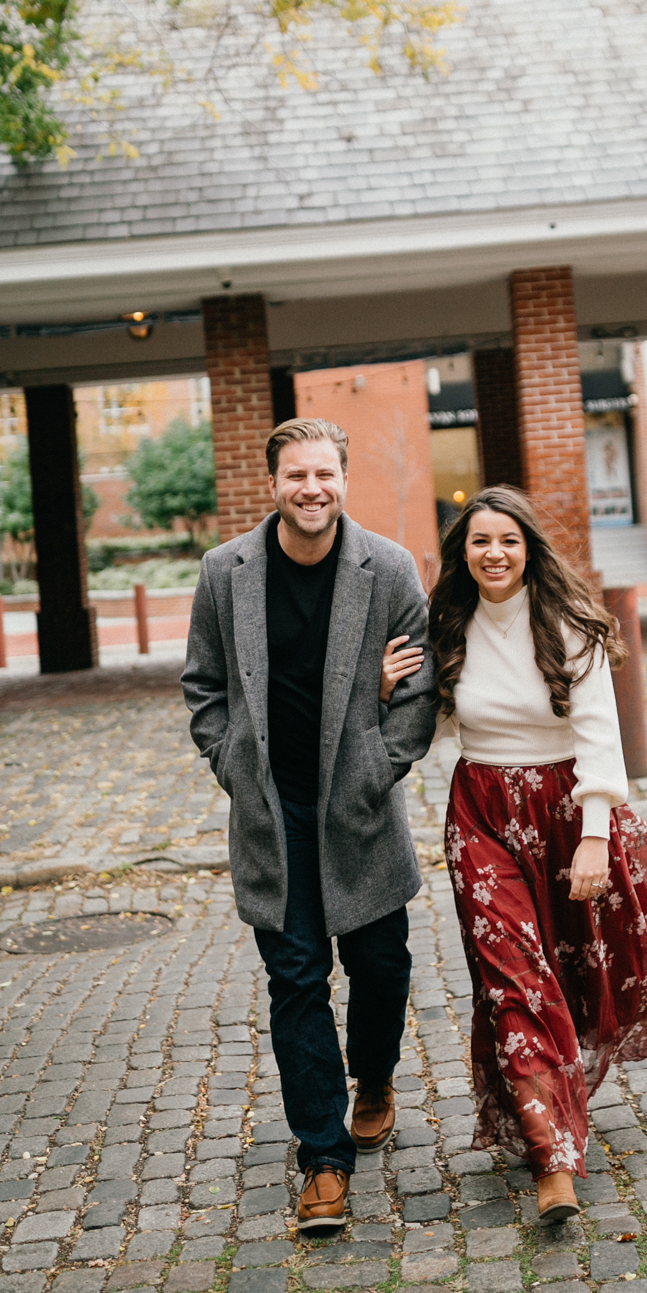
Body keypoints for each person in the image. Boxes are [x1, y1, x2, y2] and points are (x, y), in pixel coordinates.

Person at [416, 485, 647, 1225]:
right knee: (512, 978)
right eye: (479, 542)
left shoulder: (569, 625)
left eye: (508, 540)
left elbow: (601, 734)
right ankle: (553, 1159)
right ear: (462, 553)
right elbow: (425, 717)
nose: (493, 553)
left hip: (565, 809)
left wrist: (595, 835)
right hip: (479, 813)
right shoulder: (449, 622)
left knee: (572, 969)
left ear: (528, 547)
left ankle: (549, 1106)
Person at [182, 417, 436, 1234]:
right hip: (271, 816)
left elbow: (423, 691)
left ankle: (376, 1075)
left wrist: (373, 769)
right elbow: (205, 686)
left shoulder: (389, 569)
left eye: (324, 473)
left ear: (343, 478)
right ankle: (323, 1161)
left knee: (380, 966)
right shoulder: (226, 573)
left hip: (358, 811)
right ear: (274, 483)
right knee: (295, 982)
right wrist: (233, 765)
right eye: (296, 476)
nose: (312, 489)